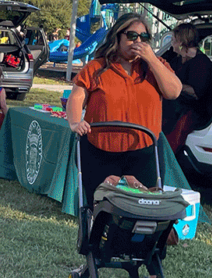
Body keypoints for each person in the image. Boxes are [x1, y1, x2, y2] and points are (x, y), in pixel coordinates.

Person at [66, 12, 181, 201]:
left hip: (143, 149)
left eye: (144, 37)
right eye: (131, 36)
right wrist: (75, 122)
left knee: (147, 203)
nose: (138, 41)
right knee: (98, 203)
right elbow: (77, 96)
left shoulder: (155, 67)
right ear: (117, 36)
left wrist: (151, 59)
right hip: (100, 147)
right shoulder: (97, 67)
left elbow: (173, 92)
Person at [162, 23, 212, 152]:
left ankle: (168, 151)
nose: (171, 44)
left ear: (181, 41)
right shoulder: (176, 57)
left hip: (191, 107)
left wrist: (174, 84)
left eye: (173, 40)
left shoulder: (201, 63)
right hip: (174, 102)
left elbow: (196, 93)